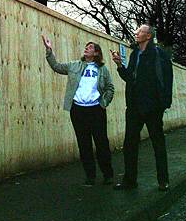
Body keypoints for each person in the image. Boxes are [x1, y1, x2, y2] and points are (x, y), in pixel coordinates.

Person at [42, 35, 115, 186]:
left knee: (101, 143)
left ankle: (108, 175)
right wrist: (49, 50)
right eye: (86, 47)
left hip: (96, 110)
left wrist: (104, 102)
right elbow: (56, 66)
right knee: (84, 144)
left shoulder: (102, 69)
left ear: (96, 53)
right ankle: (90, 176)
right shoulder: (74, 65)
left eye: (90, 47)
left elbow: (110, 87)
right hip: (78, 110)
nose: (86, 48)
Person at [111, 24, 173, 192]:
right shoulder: (135, 55)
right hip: (134, 107)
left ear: (148, 36)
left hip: (153, 108)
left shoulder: (159, 55)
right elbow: (130, 78)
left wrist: (164, 103)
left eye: (140, 31)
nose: (136, 33)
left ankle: (163, 180)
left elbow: (167, 79)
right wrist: (119, 65)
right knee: (129, 144)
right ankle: (130, 181)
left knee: (158, 144)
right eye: (137, 31)